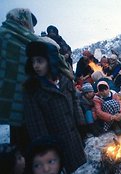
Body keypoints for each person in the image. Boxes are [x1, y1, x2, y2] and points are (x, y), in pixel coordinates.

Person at [23, 41, 86, 173]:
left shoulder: (65, 79)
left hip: (74, 137)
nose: (36, 66)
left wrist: (81, 123)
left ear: (50, 60)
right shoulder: (33, 89)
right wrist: (46, 150)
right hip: (55, 144)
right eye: (33, 62)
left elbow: (75, 101)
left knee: (79, 168)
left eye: (40, 61)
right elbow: (36, 123)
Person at [0, 8, 39, 152]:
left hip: (25, 109)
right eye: (30, 24)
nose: (32, 29)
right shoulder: (5, 37)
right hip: (6, 111)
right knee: (9, 156)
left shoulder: (28, 42)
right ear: (23, 21)